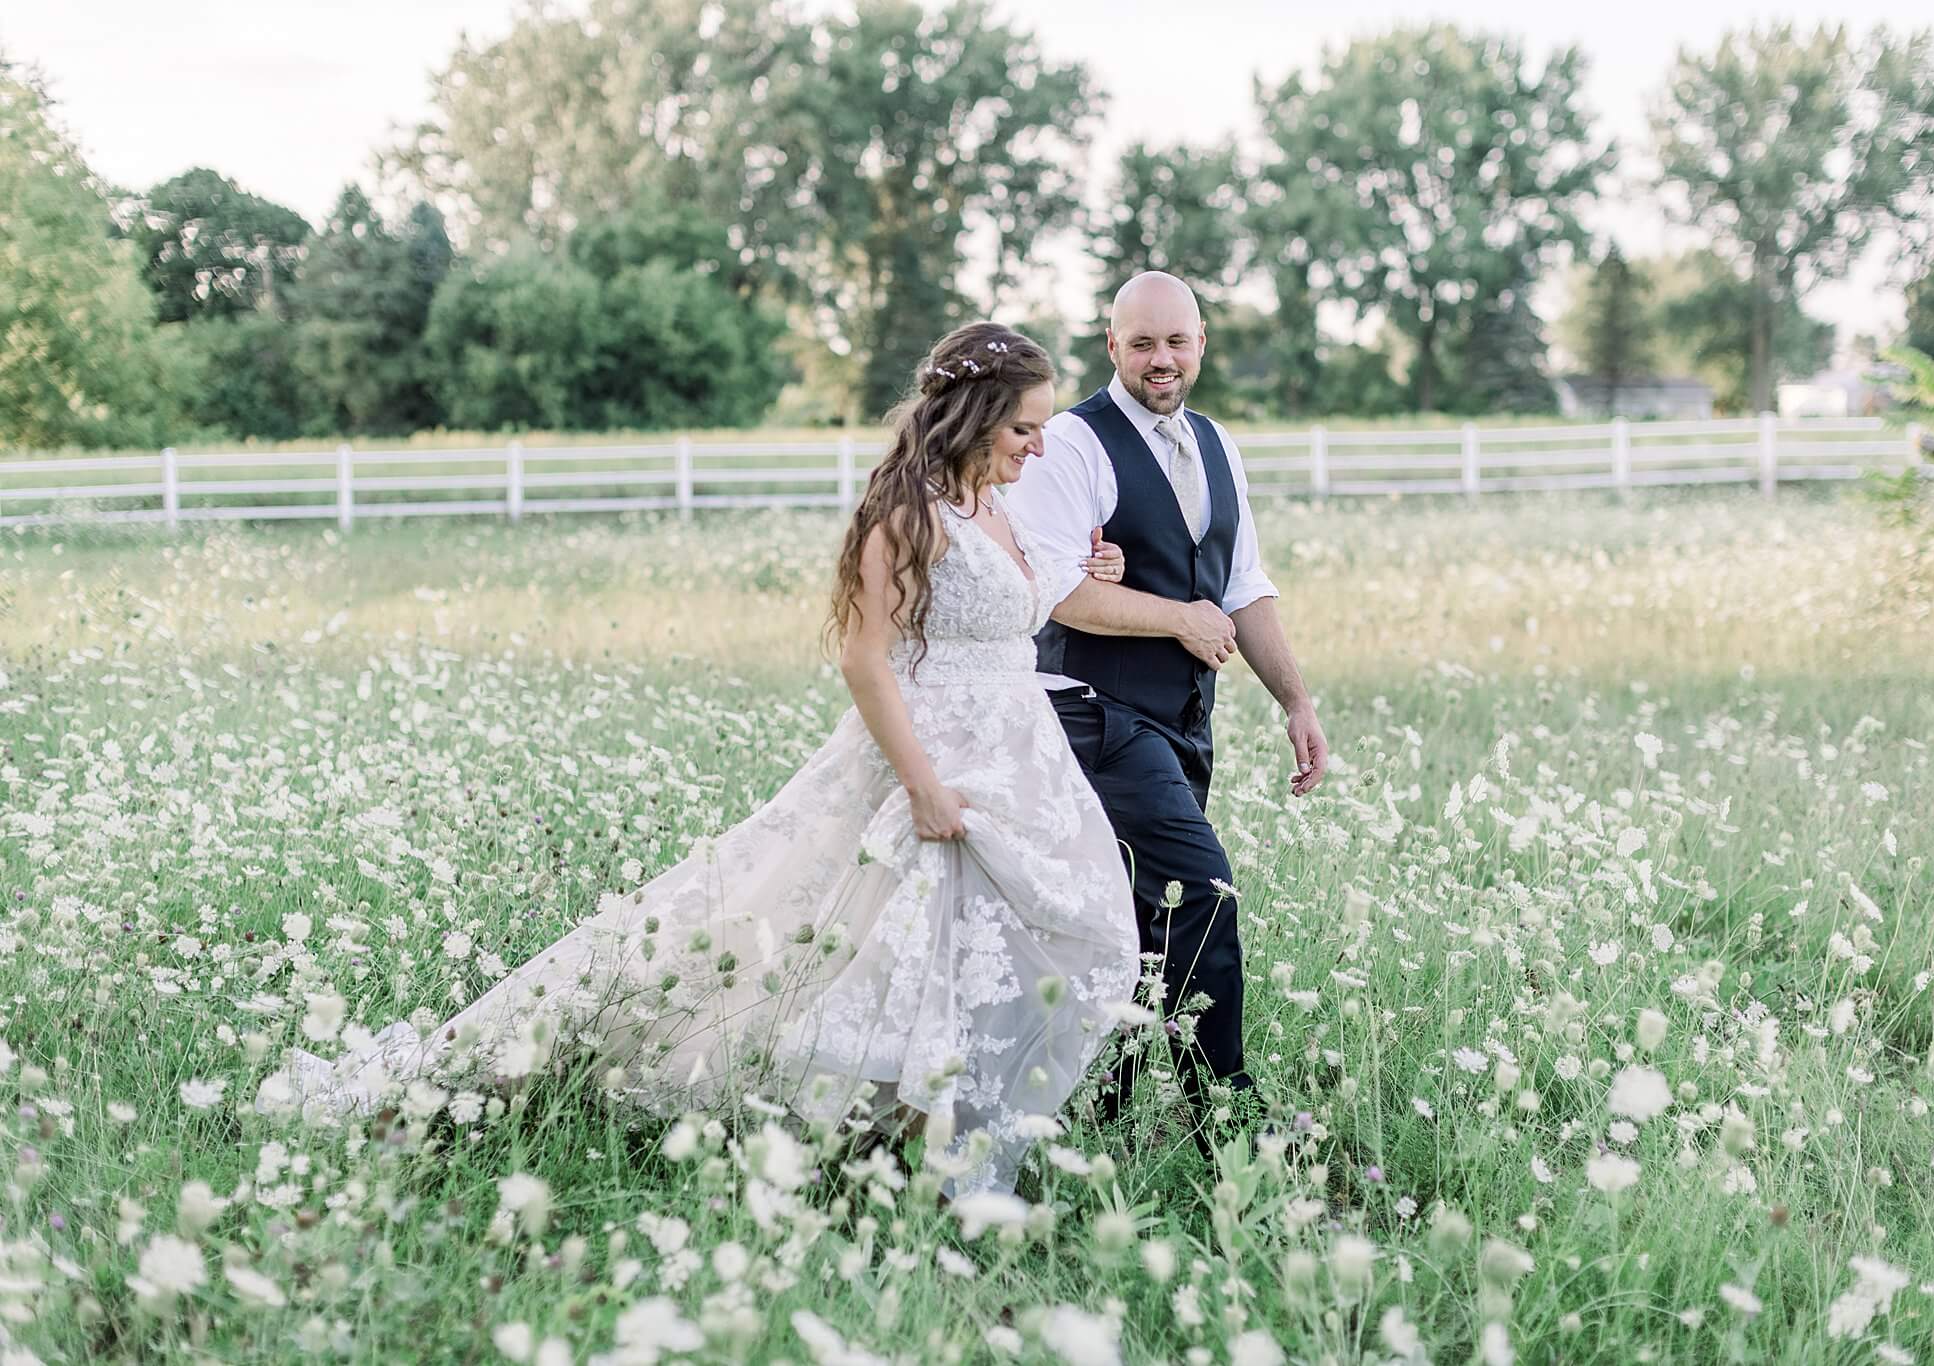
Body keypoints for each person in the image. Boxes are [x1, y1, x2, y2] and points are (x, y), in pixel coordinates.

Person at [261, 322, 1140, 1196]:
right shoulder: (908, 511)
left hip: (1018, 762)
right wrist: (921, 788)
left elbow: (1021, 604)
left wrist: (1089, 569)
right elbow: (865, 659)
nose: (1038, 445)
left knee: (1020, 947)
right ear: (974, 414)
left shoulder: (1000, 503)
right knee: (776, 940)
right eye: (1023, 427)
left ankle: (926, 1148)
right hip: (932, 764)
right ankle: (864, 1144)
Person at [1004, 271, 1328, 1149]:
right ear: (1112, 346)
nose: (1161, 360)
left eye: (1176, 342)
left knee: (1138, 923)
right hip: (1090, 715)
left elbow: (1243, 586)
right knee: (1203, 895)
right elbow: (1058, 592)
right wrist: (1179, 619)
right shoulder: (1072, 443)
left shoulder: (1216, 443)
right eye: (1142, 343)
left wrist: (1294, 699)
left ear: (1201, 344)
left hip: (1185, 719)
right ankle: (1231, 1118)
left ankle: (1103, 1114)